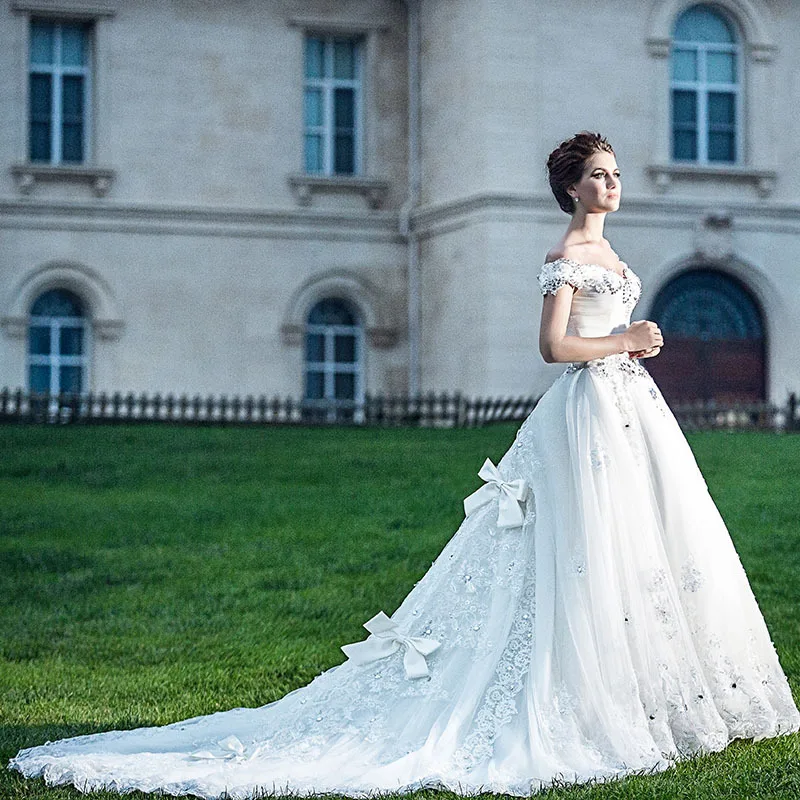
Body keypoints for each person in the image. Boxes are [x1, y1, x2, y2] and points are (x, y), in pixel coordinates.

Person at [9, 132, 799, 798]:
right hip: (590, 407)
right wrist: (625, 341)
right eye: (598, 174)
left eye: (616, 174)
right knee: (586, 547)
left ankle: (658, 690)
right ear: (571, 187)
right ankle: (584, 698)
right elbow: (555, 348)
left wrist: (640, 341)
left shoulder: (610, 250)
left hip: (629, 410)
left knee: (647, 542)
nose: (611, 184)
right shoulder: (567, 252)